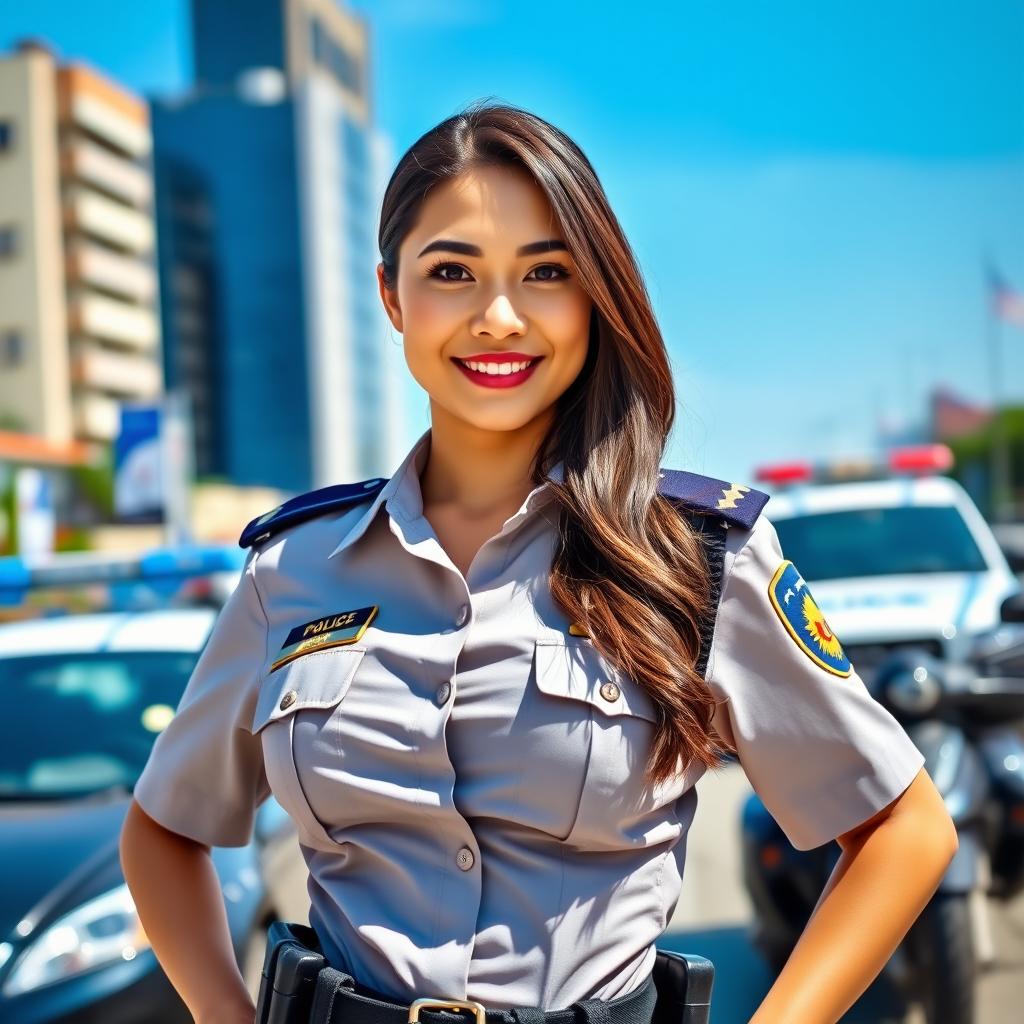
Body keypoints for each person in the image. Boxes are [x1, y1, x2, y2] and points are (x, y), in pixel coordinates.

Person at [120, 102, 958, 1024]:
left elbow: (902, 827)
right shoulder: (294, 570)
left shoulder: (693, 556)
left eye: (546, 272)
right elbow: (162, 831)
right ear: (393, 296)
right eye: (452, 272)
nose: (500, 317)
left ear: (594, 296)